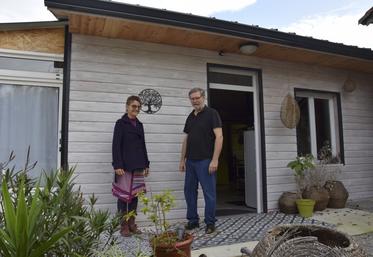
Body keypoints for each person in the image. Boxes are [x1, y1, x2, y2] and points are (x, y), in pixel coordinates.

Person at [179, 87, 223, 234]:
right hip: (190, 161)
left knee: (209, 193)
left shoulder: (212, 114)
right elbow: (186, 139)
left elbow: (219, 137)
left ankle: (210, 222)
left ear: (203, 97)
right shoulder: (190, 117)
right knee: (189, 192)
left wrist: (215, 160)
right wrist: (182, 160)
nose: (195, 101)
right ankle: (193, 221)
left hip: (206, 161)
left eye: (197, 98)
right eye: (192, 98)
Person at [112, 95, 150, 237]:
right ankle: (124, 225)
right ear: (127, 106)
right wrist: (117, 165)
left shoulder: (140, 125)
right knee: (123, 197)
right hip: (124, 167)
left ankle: (132, 223)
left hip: (139, 165)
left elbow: (143, 145)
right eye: (134, 106)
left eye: (138, 107)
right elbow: (116, 145)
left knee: (135, 196)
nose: (136, 109)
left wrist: (146, 164)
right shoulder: (120, 123)